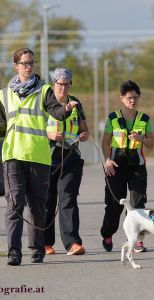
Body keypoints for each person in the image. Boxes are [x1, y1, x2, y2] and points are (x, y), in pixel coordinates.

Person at [0, 48, 77, 266]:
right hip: (13, 156)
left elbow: (57, 112)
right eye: (24, 63)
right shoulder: (3, 94)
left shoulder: (44, 91)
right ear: (15, 66)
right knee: (15, 205)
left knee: (37, 206)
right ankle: (14, 252)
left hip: (39, 156)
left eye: (31, 63)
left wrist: (67, 109)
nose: (28, 67)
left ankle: (37, 250)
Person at [100, 80, 154, 253]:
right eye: (129, 97)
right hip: (115, 166)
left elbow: (152, 143)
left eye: (136, 97)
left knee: (138, 204)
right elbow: (105, 142)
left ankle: (137, 240)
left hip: (137, 167)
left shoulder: (144, 119)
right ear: (122, 98)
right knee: (114, 205)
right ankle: (107, 234)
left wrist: (142, 140)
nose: (133, 101)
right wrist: (107, 160)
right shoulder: (113, 118)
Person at [44, 68, 89, 256]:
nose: (63, 87)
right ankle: (45, 243)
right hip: (47, 157)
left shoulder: (76, 104)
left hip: (70, 156)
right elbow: (35, 129)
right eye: (60, 84)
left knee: (68, 199)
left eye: (66, 84)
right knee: (47, 201)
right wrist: (51, 134)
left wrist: (84, 135)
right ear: (54, 84)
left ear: (71, 85)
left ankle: (72, 243)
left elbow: (84, 130)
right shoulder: (45, 103)